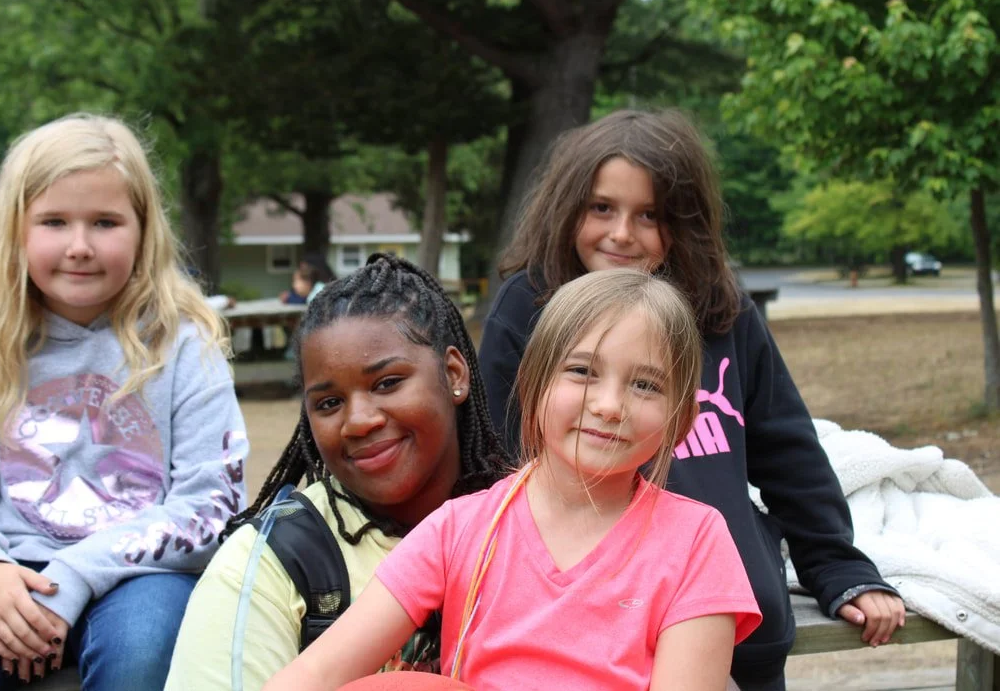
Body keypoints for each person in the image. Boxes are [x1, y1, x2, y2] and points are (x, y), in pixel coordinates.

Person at [478, 109, 905, 690]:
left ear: (684, 222)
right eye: (601, 207)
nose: (622, 233)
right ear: (567, 207)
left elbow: (788, 450)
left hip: (735, 624)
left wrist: (838, 566)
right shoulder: (526, 307)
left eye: (649, 214)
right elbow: (498, 468)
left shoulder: (720, 308)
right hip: (589, 631)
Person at [265, 268, 763, 691]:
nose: (610, 405)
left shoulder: (696, 541)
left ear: (680, 421)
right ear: (532, 386)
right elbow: (316, 672)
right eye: (583, 371)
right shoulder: (459, 529)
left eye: (645, 384)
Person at [0, 113, 249, 690]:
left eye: (106, 222)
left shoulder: (186, 344)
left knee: (144, 653)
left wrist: (76, 575)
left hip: (142, 574)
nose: (80, 246)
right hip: (7, 572)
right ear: (16, 231)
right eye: (54, 222)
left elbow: (212, 503)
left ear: (143, 230)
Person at [165, 253, 506, 691]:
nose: (359, 420)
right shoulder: (268, 565)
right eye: (328, 403)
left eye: (387, 383)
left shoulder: (540, 523)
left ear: (454, 373)